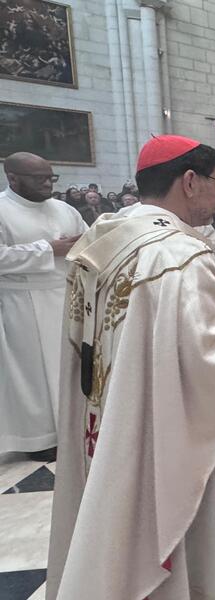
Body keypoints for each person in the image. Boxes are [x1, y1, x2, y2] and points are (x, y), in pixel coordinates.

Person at [47, 135, 215, 599]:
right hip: (166, 436)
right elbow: (209, 366)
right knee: (180, 550)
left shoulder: (100, 244)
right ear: (190, 181)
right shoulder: (181, 255)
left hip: (102, 421)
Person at [0, 152, 86, 459]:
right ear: (13, 178)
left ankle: (75, 429)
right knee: (33, 375)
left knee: (69, 368)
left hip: (67, 298)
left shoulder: (64, 209)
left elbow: (89, 244)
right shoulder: (2, 208)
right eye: (40, 179)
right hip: (21, 304)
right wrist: (47, 249)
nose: (48, 184)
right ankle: (40, 439)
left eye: (51, 177)